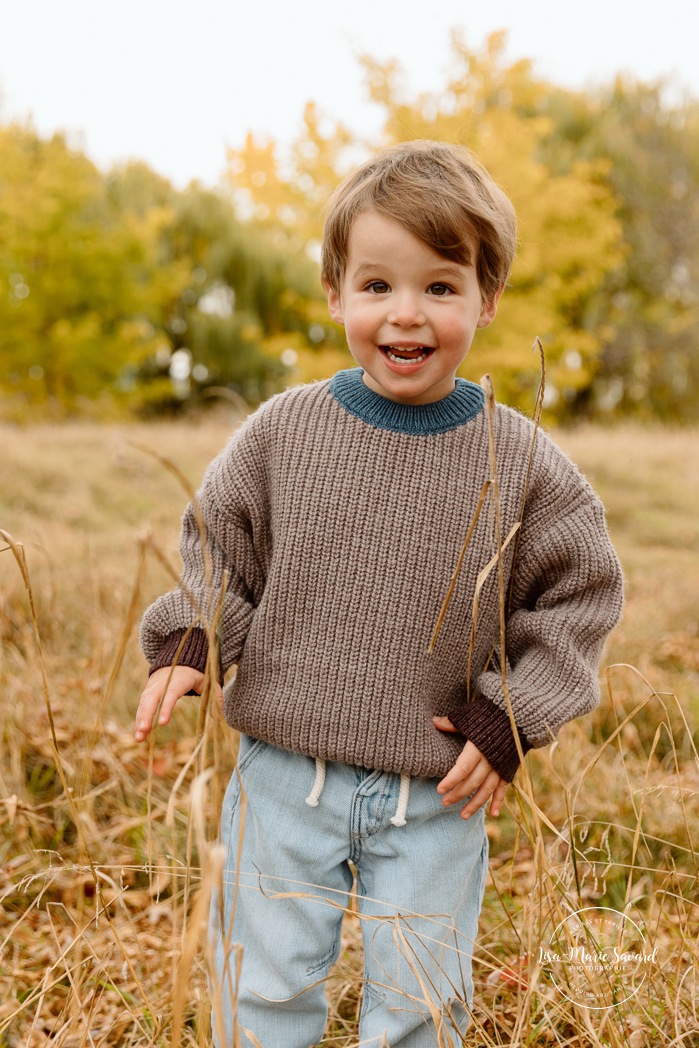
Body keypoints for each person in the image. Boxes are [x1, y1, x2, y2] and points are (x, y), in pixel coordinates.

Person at [135, 140, 623, 1047]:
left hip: (436, 793)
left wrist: (512, 712)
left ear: (487, 297)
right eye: (376, 287)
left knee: (421, 1009)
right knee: (262, 990)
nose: (406, 315)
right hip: (284, 777)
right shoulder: (285, 432)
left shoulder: (518, 461)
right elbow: (222, 551)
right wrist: (195, 640)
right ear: (335, 294)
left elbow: (577, 597)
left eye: (440, 287)